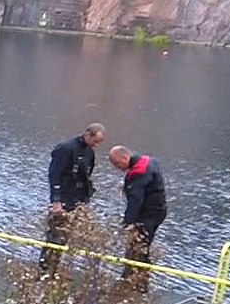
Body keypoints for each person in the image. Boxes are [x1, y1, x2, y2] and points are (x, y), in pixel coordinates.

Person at [40, 122, 105, 272]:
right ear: (88, 134)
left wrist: (85, 202)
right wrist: (56, 201)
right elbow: (54, 175)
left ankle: (54, 268)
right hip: (63, 200)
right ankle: (45, 269)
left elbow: (86, 177)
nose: (95, 146)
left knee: (65, 237)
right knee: (54, 236)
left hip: (77, 201)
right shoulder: (66, 148)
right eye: (95, 141)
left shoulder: (90, 153)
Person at [109, 145, 168, 292]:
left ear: (125, 157)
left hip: (147, 215)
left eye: (117, 164)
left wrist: (127, 223)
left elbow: (135, 201)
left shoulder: (138, 173)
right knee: (141, 246)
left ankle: (135, 283)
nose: (118, 168)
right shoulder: (148, 161)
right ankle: (134, 279)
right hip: (159, 211)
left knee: (137, 247)